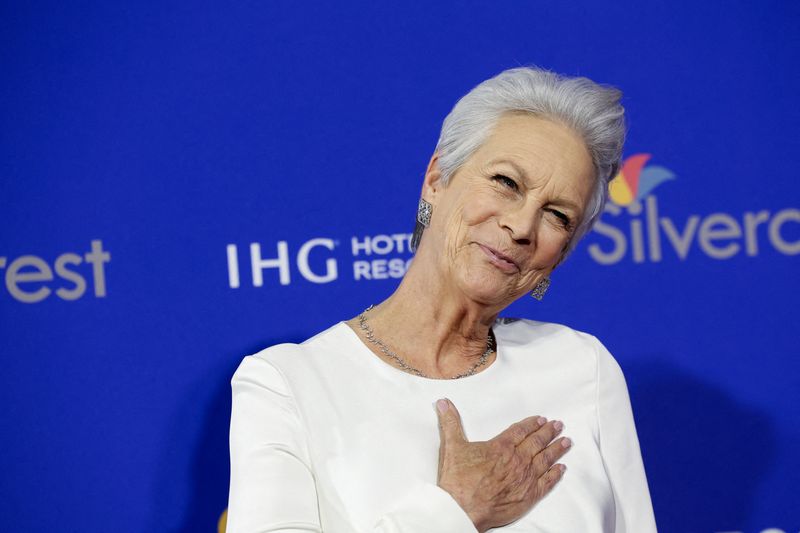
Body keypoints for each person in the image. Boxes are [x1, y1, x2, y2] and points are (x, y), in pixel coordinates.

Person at [226, 66, 657, 533]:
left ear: (562, 253)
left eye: (557, 215)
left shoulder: (582, 367)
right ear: (436, 179)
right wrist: (454, 511)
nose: (521, 227)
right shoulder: (286, 385)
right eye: (506, 183)